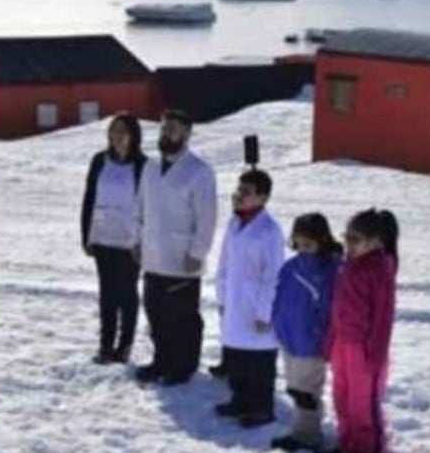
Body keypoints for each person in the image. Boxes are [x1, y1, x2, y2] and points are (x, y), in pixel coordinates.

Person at [132, 110, 218, 386]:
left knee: (181, 316)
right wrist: (135, 240)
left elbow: (207, 217)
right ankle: (161, 361)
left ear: (187, 133)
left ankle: (183, 366)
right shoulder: (150, 166)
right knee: (155, 312)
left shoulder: (199, 171)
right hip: (153, 254)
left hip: (183, 259)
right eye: (163, 128)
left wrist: (197, 253)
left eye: (174, 129)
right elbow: (139, 206)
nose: (166, 133)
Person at [327, 209, 399, 453]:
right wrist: (330, 342)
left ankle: (369, 452)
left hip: (364, 349)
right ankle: (348, 444)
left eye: (355, 240)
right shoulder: (348, 264)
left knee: (362, 403)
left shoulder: (380, 270)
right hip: (341, 344)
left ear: (377, 241)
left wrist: (375, 354)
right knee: (341, 396)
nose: (349, 245)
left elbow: (383, 319)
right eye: (347, 238)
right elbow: (337, 308)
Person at [213, 169, 285, 428]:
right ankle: (239, 400)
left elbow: (273, 275)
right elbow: (224, 262)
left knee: (259, 361)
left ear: (263, 198)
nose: (239, 195)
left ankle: (262, 408)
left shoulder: (270, 231)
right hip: (234, 301)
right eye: (239, 189)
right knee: (237, 356)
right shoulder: (234, 222)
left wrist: (264, 312)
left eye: (247, 192)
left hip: (257, 305)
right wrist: (221, 296)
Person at [270, 213, 342, 452]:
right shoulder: (291, 267)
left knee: (306, 390)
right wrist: (276, 322)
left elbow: (331, 309)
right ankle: (304, 427)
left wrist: (321, 336)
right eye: (299, 243)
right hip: (289, 338)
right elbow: (280, 297)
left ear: (323, 240)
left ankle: (308, 436)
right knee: (295, 386)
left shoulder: (329, 271)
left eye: (309, 244)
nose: (303, 249)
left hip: (310, 342)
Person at [80, 113, 148, 364]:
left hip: (130, 239)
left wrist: (143, 240)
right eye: (113, 131)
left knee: (127, 293)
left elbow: (147, 206)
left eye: (122, 131)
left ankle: (125, 344)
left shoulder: (143, 165)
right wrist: (86, 234)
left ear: (133, 136)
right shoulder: (99, 161)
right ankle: (105, 345)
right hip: (102, 235)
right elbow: (89, 198)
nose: (117, 136)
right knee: (107, 292)